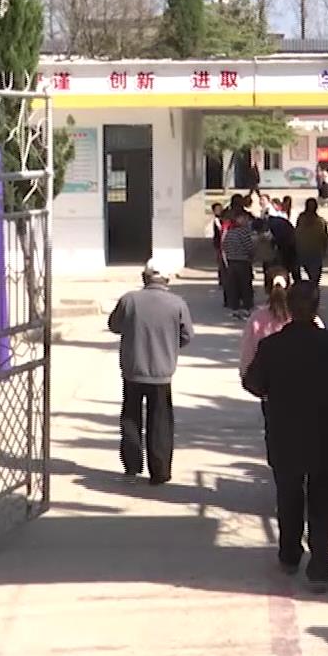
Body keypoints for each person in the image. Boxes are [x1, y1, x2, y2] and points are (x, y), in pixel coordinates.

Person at [242, 282, 328, 593]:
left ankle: (290, 555)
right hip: (325, 433)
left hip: (285, 433)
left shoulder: (272, 346)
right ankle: (320, 566)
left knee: (289, 496)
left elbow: (253, 382)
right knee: (324, 500)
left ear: (289, 309)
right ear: (317, 307)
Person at [106, 265, 194, 485]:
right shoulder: (177, 304)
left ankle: (132, 466)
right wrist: (169, 344)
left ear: (144, 278)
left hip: (133, 369)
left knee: (130, 417)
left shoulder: (129, 300)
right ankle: (159, 472)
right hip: (162, 372)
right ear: (167, 280)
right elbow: (187, 336)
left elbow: (114, 325)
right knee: (160, 421)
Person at [238, 278, 294, 380]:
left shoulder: (256, 318)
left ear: (267, 289)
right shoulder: (302, 316)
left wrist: (246, 375)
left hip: (267, 379)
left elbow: (248, 351)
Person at [220, 205, 258, 320]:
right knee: (245, 285)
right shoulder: (243, 232)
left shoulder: (230, 232)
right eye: (244, 218)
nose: (246, 220)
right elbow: (249, 247)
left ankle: (235, 308)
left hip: (231, 262)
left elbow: (224, 246)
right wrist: (252, 256)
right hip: (243, 261)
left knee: (234, 286)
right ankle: (247, 307)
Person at [294, 197, 328, 287]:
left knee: (315, 277)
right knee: (309, 275)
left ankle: (313, 289)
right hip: (303, 250)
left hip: (314, 251)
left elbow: (325, 237)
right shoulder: (302, 218)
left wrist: (324, 249)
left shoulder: (320, 221)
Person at [209, 202, 229, 307]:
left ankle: (223, 279)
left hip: (222, 244)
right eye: (217, 209)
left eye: (220, 208)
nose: (219, 210)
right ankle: (222, 280)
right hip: (219, 244)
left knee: (222, 262)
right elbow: (219, 232)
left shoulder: (224, 219)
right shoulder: (217, 220)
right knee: (221, 262)